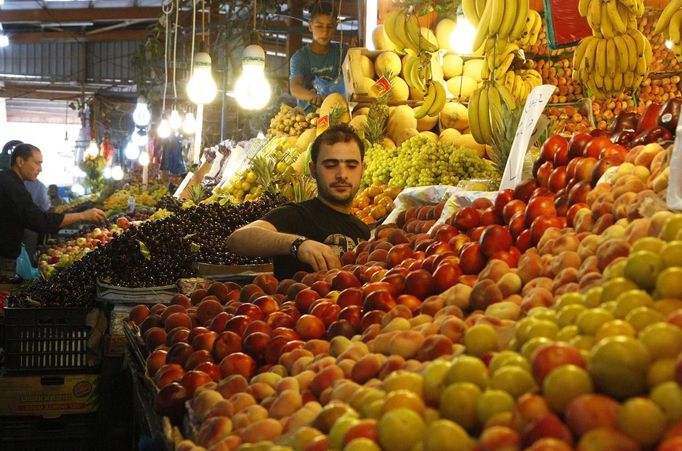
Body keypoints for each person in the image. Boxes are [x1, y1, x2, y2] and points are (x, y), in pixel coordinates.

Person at [228, 124, 369, 280]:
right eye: (330, 165)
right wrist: (297, 244)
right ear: (313, 170)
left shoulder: (362, 230)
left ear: (363, 169)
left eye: (351, 165)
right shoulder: (296, 215)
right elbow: (238, 239)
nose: (342, 174)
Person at [0, 143, 106, 278]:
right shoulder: (12, 186)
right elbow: (40, 221)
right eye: (37, 163)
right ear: (20, 161)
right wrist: (82, 215)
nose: (40, 169)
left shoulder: (8, 181)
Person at [289, 2, 348, 113]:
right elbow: (294, 88)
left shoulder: (343, 52)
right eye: (319, 26)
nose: (325, 31)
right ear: (310, 26)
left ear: (335, 27)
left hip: (339, 115)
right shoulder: (300, 57)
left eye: (329, 26)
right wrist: (312, 96)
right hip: (310, 119)